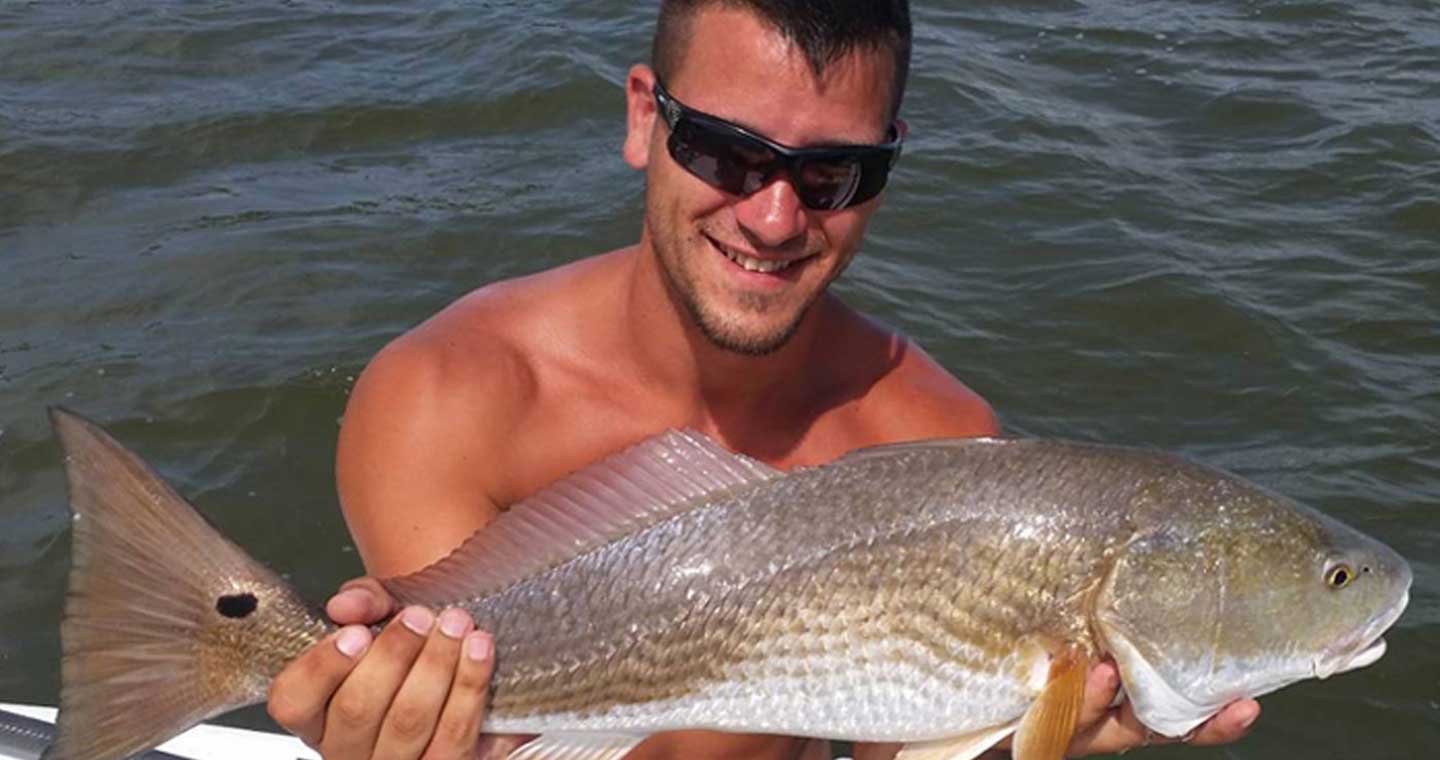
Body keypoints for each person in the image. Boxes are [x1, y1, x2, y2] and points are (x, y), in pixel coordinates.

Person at [266, 1, 1261, 758]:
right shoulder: (446, 395)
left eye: (831, 174)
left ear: (885, 171)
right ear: (644, 116)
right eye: (728, 152)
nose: (775, 217)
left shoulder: (938, 433)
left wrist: (1021, 742)